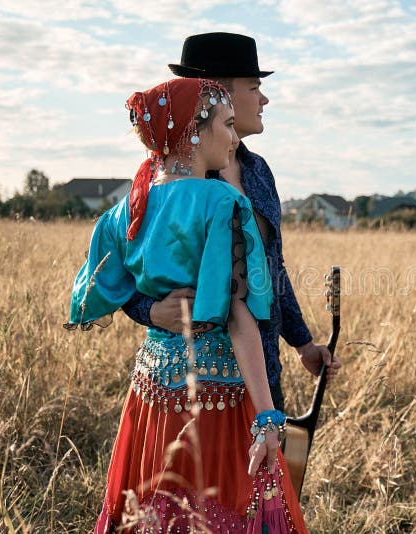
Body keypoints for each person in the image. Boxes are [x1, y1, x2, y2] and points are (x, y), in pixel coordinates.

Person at [65, 78, 308, 533]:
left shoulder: (125, 211)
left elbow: (101, 289)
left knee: (155, 507)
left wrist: (151, 310)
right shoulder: (224, 202)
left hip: (150, 391)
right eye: (228, 126)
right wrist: (267, 416)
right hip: (218, 393)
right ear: (196, 133)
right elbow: (239, 314)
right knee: (223, 508)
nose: (234, 139)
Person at [121, 33, 341, 412]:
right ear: (219, 94)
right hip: (190, 383)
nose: (264, 99)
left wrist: (303, 344)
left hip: (262, 376)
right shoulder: (169, 181)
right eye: (255, 87)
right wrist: (150, 311)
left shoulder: (258, 171)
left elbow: (271, 269)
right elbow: (118, 266)